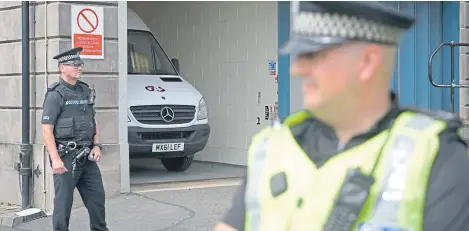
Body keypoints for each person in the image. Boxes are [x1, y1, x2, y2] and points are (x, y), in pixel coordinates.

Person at [215, 1, 469, 231]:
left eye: (312, 55)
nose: (296, 69)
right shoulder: (270, 147)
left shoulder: (436, 156)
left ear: (367, 62)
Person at [41, 47, 109, 231]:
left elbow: (93, 120)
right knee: (63, 206)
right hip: (66, 158)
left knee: (97, 201)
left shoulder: (85, 90)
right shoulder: (55, 94)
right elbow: (47, 130)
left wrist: (97, 145)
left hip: (87, 156)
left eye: (80, 64)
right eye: (74, 64)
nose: (79, 67)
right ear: (62, 68)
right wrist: (55, 159)